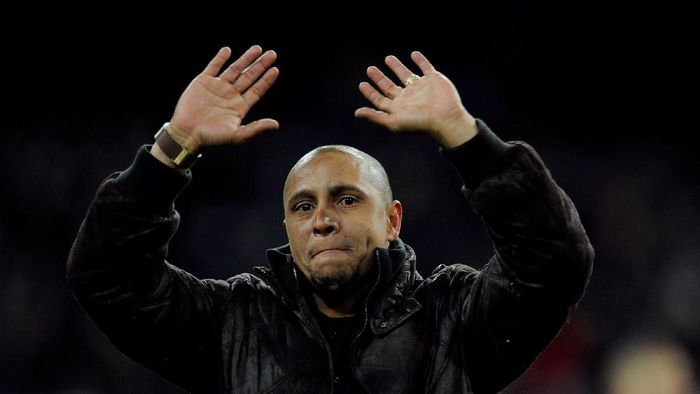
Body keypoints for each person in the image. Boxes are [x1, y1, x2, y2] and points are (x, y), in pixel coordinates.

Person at [67, 45, 594, 393]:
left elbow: (554, 262)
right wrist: (170, 150)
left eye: (345, 199)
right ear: (288, 231)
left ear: (393, 220)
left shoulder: (454, 320)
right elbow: (108, 278)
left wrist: (464, 135)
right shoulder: (233, 323)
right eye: (302, 206)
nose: (321, 219)